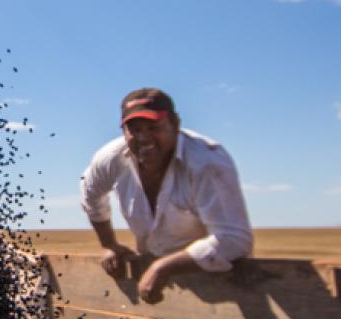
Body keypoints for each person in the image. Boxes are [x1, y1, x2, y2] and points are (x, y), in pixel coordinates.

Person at [80, 88, 253, 302]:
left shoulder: (206, 162)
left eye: (154, 127)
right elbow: (90, 194)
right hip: (154, 269)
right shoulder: (110, 159)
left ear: (175, 124)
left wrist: (163, 268)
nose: (144, 138)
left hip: (216, 277)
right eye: (134, 129)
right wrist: (109, 245)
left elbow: (234, 239)